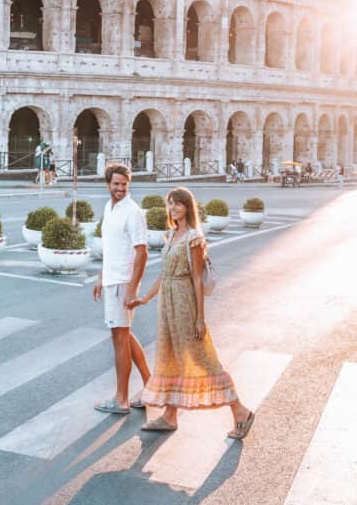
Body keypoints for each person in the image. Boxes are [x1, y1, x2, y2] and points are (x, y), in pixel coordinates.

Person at [128, 186, 254, 438]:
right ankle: (170, 416)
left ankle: (240, 411)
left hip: (185, 303)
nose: (173, 208)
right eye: (170, 203)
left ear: (187, 207)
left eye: (178, 204)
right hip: (168, 304)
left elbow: (197, 279)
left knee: (202, 358)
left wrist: (200, 318)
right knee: (170, 358)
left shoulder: (193, 238)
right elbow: (164, 275)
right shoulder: (171, 235)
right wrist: (144, 299)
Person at [92, 163, 151, 414]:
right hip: (111, 279)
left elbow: (142, 252)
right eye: (116, 184)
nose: (120, 188)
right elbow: (112, 247)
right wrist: (101, 276)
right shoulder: (110, 207)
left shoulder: (133, 212)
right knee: (123, 335)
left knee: (119, 339)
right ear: (108, 185)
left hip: (122, 283)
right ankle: (152, 386)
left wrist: (132, 288)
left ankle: (122, 399)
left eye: (124, 184)